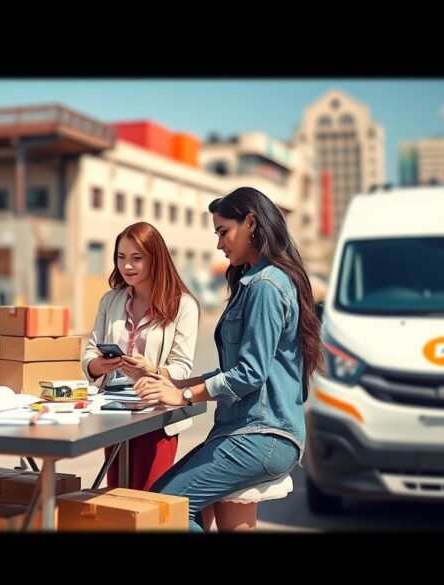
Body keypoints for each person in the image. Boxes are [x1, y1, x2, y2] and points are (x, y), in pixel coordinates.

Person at [136, 187, 324, 532]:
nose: (219, 244)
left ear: (250, 223)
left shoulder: (266, 286)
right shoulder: (254, 282)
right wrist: (177, 382)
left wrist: (184, 396)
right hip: (245, 433)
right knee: (174, 504)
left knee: (164, 507)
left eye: (224, 232)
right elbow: (234, 370)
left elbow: (250, 374)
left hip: (262, 435)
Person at [81, 222, 199, 491]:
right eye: (121, 257)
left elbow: (182, 368)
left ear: (155, 259)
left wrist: (152, 370)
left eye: (137, 258)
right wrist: (99, 365)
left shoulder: (184, 306)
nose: (127, 266)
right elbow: (89, 355)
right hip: (113, 412)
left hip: (157, 414)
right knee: (116, 496)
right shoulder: (110, 300)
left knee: (148, 498)